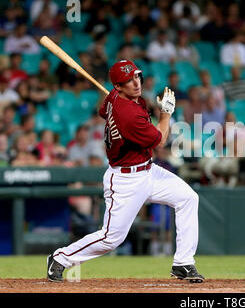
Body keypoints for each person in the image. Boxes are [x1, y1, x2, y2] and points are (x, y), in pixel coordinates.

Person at [46, 60, 204, 283]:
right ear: (119, 86)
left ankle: (183, 263)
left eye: (136, 76)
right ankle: (61, 258)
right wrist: (166, 113)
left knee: (188, 198)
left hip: (148, 171)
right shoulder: (128, 115)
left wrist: (118, 97)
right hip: (125, 179)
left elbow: (104, 111)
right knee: (111, 238)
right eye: (128, 81)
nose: (136, 83)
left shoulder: (113, 97)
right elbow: (161, 140)